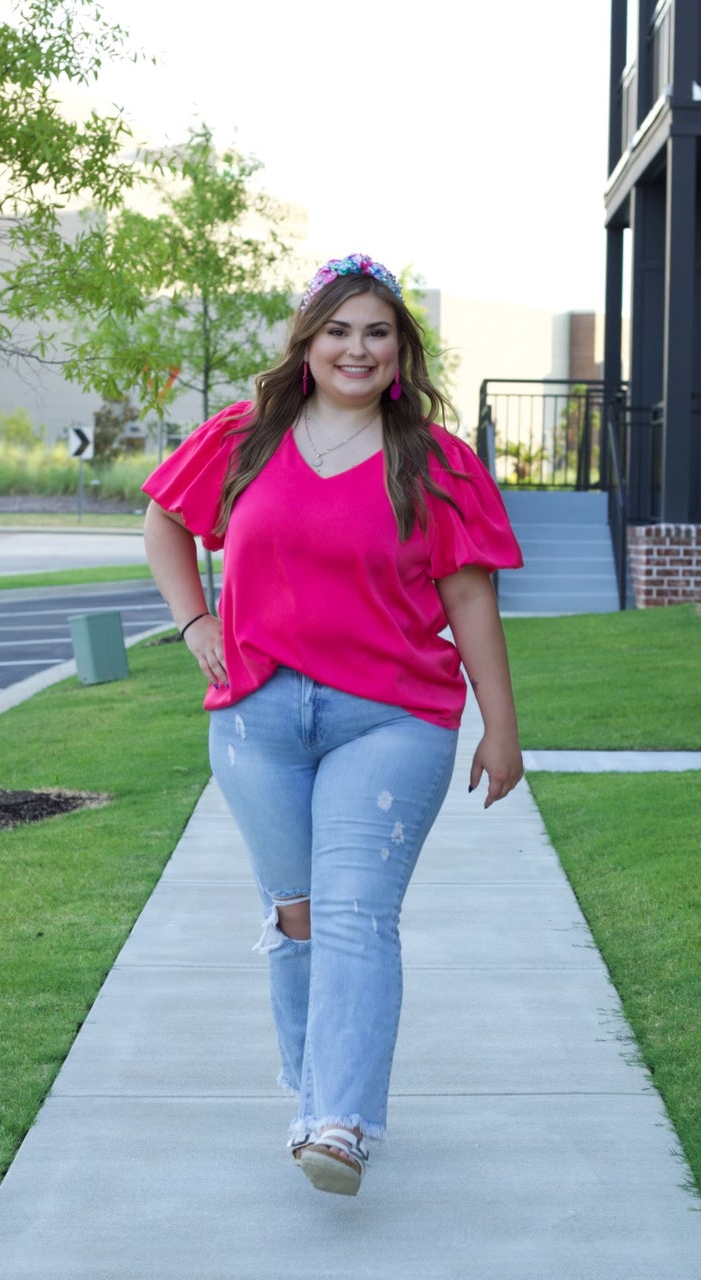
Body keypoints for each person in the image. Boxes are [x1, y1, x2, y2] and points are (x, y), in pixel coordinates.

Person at [142, 253, 524, 1197]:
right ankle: (313, 1090)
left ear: (401, 350)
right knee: (299, 915)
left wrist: (501, 724)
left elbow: (468, 596)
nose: (357, 348)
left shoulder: (435, 463)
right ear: (307, 343)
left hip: (389, 718)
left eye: (377, 331)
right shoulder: (243, 438)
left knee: (355, 914)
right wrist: (196, 623)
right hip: (256, 720)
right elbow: (163, 523)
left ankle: (339, 1122)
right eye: (339, 330)